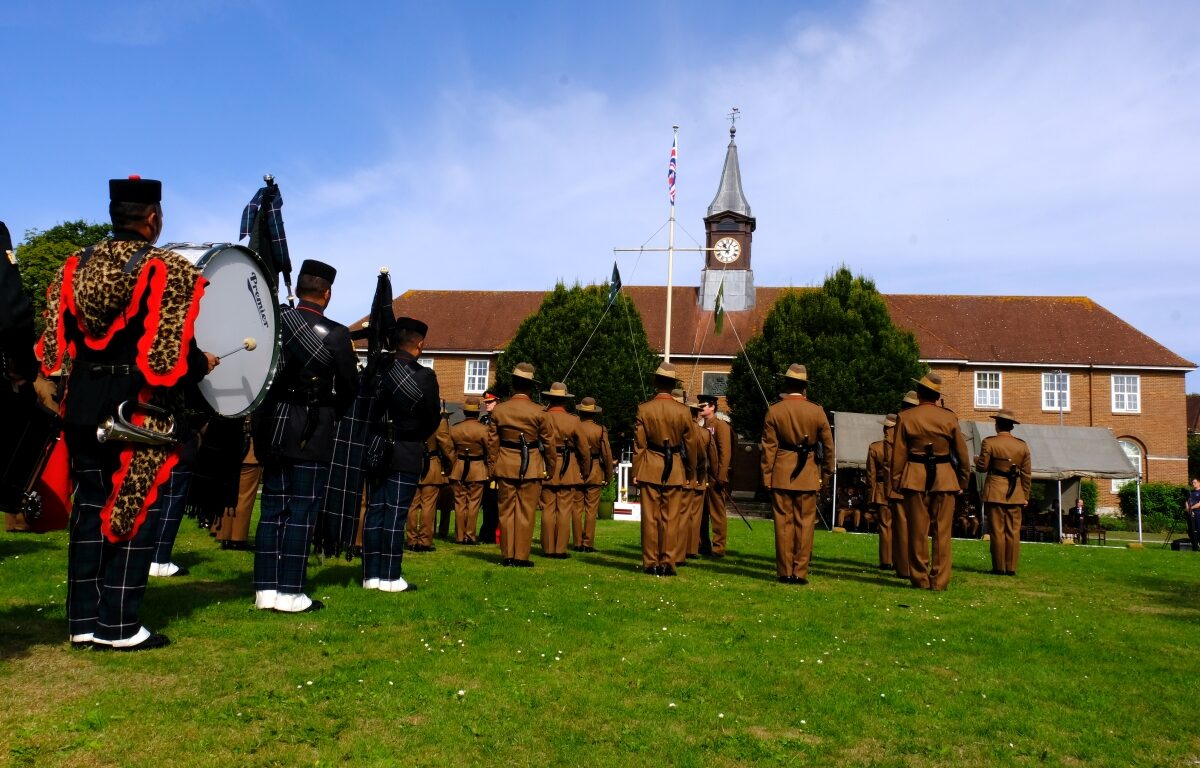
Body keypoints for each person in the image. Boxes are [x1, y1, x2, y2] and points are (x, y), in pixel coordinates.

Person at [37, 176, 217, 650]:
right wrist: (203, 363)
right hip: (137, 408)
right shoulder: (169, 269)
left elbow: (53, 349)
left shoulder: (73, 265)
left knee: (91, 508)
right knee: (134, 511)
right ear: (153, 219)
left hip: (82, 403)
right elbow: (168, 360)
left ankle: (81, 621)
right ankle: (117, 625)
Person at [252, 258, 357, 613]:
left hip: (274, 424)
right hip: (313, 428)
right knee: (303, 510)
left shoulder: (274, 323)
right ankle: (291, 592)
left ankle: (265, 589)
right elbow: (348, 388)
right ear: (326, 294)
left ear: (298, 291)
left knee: (272, 510)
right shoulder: (338, 334)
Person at [363, 317, 440, 591]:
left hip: (375, 446)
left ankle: (370, 575)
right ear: (419, 345)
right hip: (406, 449)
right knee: (395, 514)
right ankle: (390, 577)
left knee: (375, 511)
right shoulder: (424, 377)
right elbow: (432, 419)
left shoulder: (376, 370)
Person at [890, 373, 971, 591]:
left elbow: (898, 454)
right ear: (937, 396)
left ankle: (920, 578)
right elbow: (963, 454)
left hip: (915, 477)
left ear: (918, 394)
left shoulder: (906, 417)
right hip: (945, 478)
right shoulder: (949, 418)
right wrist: (963, 481)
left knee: (917, 531)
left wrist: (896, 481)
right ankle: (940, 580)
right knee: (942, 532)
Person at [760, 364, 835, 585]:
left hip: (781, 471)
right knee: (805, 523)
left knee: (783, 524)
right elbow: (828, 446)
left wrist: (766, 476)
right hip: (808, 474)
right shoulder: (816, 410)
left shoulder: (775, 410)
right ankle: (800, 571)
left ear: (787, 384)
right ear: (804, 387)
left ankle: (784, 572)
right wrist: (827, 473)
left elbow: (768, 448)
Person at [633, 362, 700, 576]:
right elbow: (691, 445)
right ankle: (668, 562)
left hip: (651, 464)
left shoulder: (644, 409)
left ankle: (650, 562)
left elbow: (639, 445)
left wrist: (636, 472)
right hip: (675, 467)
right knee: (671, 518)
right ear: (672, 385)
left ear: (655, 383)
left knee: (650, 517)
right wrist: (691, 471)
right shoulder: (683, 411)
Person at [487, 363, 555, 567]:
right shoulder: (540, 412)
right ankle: (521, 556)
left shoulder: (500, 410)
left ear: (513, 384)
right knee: (526, 511)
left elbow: (492, 443)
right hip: (532, 466)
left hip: (506, 464)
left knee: (506, 511)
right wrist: (550, 468)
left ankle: (507, 555)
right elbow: (550, 443)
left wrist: (492, 468)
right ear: (531, 386)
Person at [975, 408, 1032, 575]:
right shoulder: (1022, 445)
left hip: (995, 490)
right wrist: (1026, 495)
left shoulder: (989, 442)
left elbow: (983, 467)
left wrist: (976, 460)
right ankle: (1011, 568)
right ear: (1012, 427)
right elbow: (1027, 474)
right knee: (1013, 531)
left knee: (997, 530)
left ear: (997, 425)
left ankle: (999, 567)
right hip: (1016, 493)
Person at [540, 382, 589, 559]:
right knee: (564, 509)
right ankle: (559, 549)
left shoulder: (542, 417)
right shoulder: (573, 420)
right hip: (568, 467)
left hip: (545, 464)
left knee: (547, 508)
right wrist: (585, 470)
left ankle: (547, 547)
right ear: (565, 401)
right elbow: (584, 449)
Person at [405, 406, 453, 552]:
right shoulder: (438, 420)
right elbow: (446, 444)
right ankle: (425, 541)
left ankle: (412, 540)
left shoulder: (410, 416)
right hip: (431, 464)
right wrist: (451, 462)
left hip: (411, 462)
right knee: (428, 506)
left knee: (412, 505)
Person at [448, 396, 490, 545]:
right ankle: (470, 535)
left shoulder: (455, 428)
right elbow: (489, 451)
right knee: (474, 504)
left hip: (458, 467)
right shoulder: (484, 430)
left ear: (465, 412)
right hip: (477, 468)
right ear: (478, 413)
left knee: (459, 503)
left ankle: (459, 536)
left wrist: (454, 464)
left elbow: (450, 450)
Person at [574, 396, 613, 553]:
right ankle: (587, 543)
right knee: (591, 510)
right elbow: (607, 454)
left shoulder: (574, 427)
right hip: (595, 470)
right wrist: (608, 476)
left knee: (576, 508)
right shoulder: (600, 429)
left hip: (576, 468)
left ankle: (577, 542)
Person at [698, 394, 733, 557]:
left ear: (712, 406)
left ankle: (718, 547)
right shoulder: (701, 427)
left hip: (715, 476)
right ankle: (702, 545)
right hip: (702, 475)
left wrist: (721, 476)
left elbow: (725, 453)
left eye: (703, 405)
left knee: (717, 513)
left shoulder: (721, 426)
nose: (700, 407)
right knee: (701, 513)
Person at [682, 396, 712, 564]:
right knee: (695, 516)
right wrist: (704, 476)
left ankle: (679, 547)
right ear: (697, 414)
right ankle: (692, 548)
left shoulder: (681, 430)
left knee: (680, 515)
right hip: (699, 479)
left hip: (682, 477)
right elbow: (708, 458)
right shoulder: (704, 433)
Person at [866, 414, 896, 569]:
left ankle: (886, 561)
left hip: (882, 491)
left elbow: (870, 476)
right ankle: (902, 562)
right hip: (902, 490)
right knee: (902, 527)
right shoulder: (906, 448)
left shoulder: (875, 447)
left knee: (885, 527)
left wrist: (870, 497)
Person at [477, 390, 501, 545]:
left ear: (497, 402)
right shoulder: (484, 420)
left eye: (490, 402)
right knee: (488, 501)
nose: (487, 405)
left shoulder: (501, 419)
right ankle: (487, 532)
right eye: (486, 403)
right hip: (485, 466)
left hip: (499, 464)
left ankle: (495, 532)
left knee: (496, 501)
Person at [1186, 478, 1200, 552]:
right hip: (1190, 513)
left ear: (1199, 483)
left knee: (1198, 529)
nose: (1193, 484)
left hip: (1198, 513)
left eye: (1194, 482)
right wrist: (1188, 508)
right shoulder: (1191, 492)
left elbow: (1199, 504)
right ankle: (1195, 544)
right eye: (1192, 482)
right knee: (1191, 529)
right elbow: (1187, 501)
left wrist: (1192, 508)